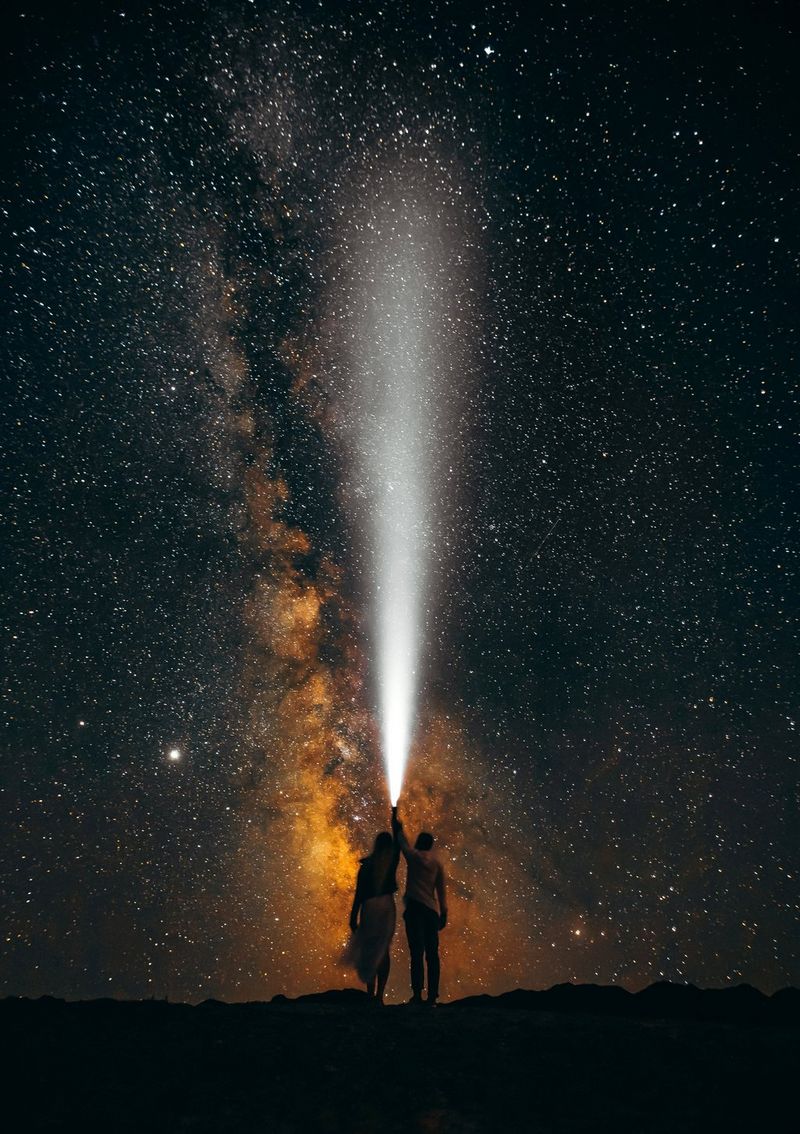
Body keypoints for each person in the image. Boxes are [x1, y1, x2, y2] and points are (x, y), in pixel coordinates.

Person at [391, 809, 448, 1005]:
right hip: (431, 911)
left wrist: (398, 828)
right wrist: (444, 913)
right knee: (432, 954)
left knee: (416, 952)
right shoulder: (437, 864)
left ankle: (417, 994)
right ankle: (432, 996)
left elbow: (402, 844)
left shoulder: (414, 856)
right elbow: (440, 889)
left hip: (415, 909)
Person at [340, 829, 400, 1003]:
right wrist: (395, 822)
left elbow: (359, 893)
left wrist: (353, 916)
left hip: (370, 906)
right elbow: (398, 846)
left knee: (369, 949)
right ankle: (380, 995)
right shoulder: (391, 862)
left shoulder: (366, 866)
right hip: (387, 905)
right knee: (383, 949)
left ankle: (370, 993)